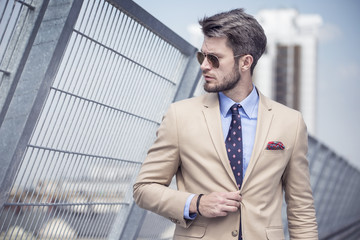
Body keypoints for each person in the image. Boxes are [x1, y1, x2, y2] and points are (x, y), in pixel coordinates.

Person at [133, 8, 318, 240]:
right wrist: (196, 203)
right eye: (203, 56)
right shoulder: (180, 116)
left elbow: (301, 206)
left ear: (245, 62)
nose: (204, 66)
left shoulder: (290, 122)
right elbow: (144, 188)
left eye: (214, 59)